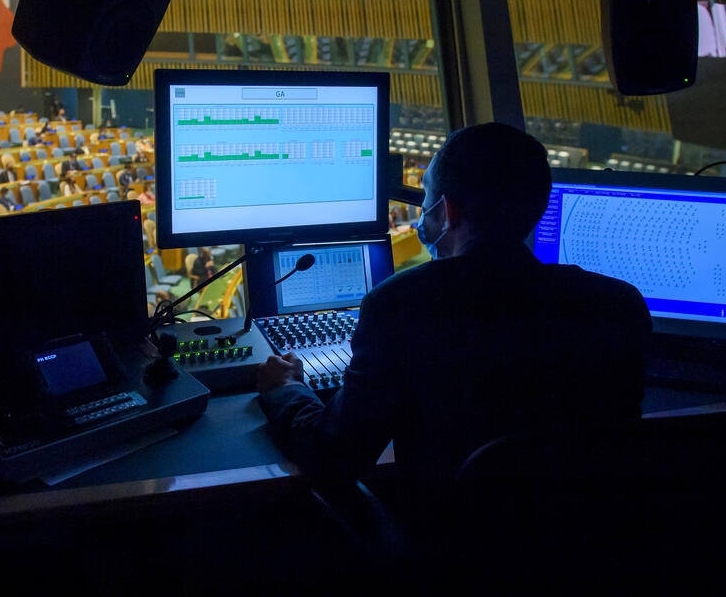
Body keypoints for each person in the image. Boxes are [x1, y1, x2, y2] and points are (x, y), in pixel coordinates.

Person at [256, 122, 651, 533]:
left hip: (455, 554)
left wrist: (287, 390)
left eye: (426, 197)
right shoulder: (617, 306)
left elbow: (334, 456)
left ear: (447, 211)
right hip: (587, 546)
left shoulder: (401, 304)